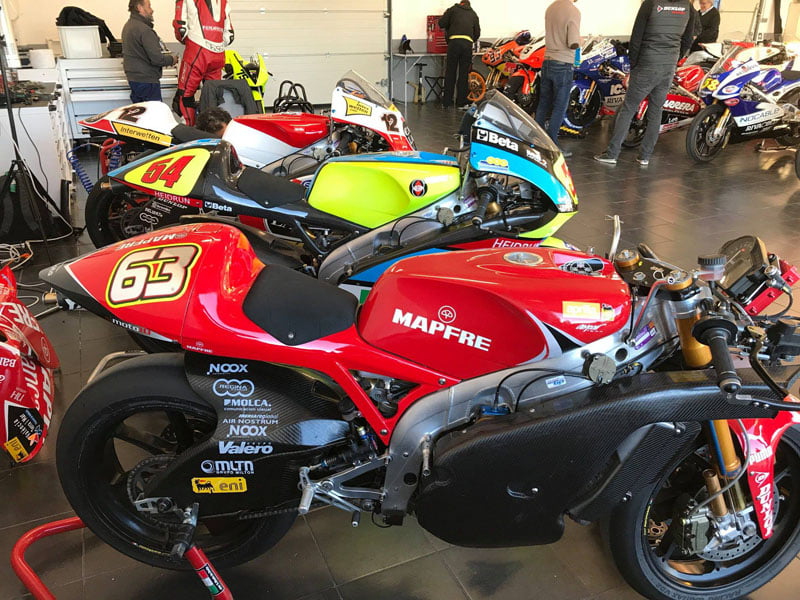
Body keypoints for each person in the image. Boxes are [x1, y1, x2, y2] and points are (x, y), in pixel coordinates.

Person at [595, 0, 697, 166]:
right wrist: (674, 60)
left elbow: (636, 37)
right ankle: (645, 156)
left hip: (646, 63)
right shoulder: (688, 7)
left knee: (628, 108)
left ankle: (612, 154)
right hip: (668, 66)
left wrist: (634, 65)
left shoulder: (650, 3)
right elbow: (687, 40)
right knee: (656, 111)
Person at [172, 0, 234, 125]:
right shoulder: (224, 1)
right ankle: (212, 131)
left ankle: (189, 130)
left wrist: (188, 42)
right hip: (218, 54)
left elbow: (180, 28)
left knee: (184, 96)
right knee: (212, 96)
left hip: (196, 51)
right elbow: (230, 36)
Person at [535, 0, 581, 157]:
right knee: (560, 106)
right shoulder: (573, 10)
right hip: (563, 64)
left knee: (543, 103)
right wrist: (580, 41)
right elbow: (573, 42)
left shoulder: (551, 7)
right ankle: (552, 145)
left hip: (547, 61)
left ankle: (537, 141)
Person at [121, 0, 178, 103]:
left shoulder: (128, 26)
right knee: (154, 111)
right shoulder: (145, 30)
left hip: (134, 79)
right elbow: (157, 59)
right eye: (149, 6)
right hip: (147, 81)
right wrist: (172, 59)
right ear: (140, 8)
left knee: (140, 111)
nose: (152, 10)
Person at [438, 0, 481, 110]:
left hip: (454, 43)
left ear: (461, 3)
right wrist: (470, 40)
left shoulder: (453, 10)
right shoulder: (473, 13)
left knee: (450, 72)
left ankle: (447, 102)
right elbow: (477, 33)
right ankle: (461, 103)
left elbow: (441, 23)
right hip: (467, 44)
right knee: (463, 74)